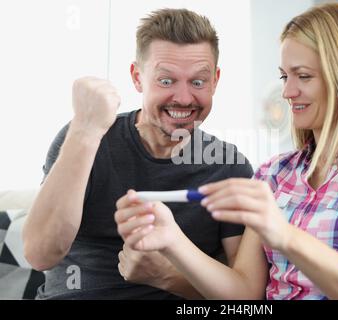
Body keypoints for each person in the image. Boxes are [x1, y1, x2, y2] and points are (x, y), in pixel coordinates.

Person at [115, 3, 338, 300]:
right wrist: (173, 240)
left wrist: (287, 237)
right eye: (284, 75)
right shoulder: (276, 173)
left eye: (302, 76)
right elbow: (245, 294)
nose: (287, 92)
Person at [22, 8, 253, 299]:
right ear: (137, 77)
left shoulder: (230, 168)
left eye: (197, 82)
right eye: (166, 81)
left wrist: (167, 277)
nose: (183, 98)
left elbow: (245, 298)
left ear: (215, 80)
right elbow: (40, 254)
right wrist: (84, 131)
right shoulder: (86, 135)